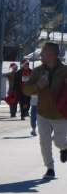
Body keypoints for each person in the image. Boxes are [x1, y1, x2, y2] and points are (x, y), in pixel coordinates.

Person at [22, 42, 67, 179]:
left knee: (59, 142)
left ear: (52, 53)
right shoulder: (37, 71)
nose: (41, 53)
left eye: (44, 51)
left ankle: (64, 148)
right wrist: (38, 86)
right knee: (44, 142)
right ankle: (50, 168)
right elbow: (25, 90)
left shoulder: (65, 70)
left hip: (60, 114)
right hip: (42, 113)